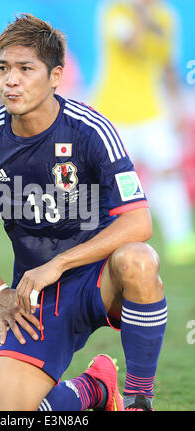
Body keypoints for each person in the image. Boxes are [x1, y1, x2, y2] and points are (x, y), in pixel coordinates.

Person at [0, 13, 167, 411]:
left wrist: (59, 263)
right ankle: (94, 390)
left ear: (56, 76)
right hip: (38, 297)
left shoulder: (91, 129)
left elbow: (139, 222)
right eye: (4, 69)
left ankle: (137, 399)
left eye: (26, 69)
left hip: (102, 276)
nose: (11, 80)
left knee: (140, 260)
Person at [90, 0, 195, 265]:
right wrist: (143, 15)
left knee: (169, 172)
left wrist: (177, 106)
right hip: (114, 113)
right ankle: (98, 241)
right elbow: (132, 46)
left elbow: (167, 64)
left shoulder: (166, 16)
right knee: (108, 181)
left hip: (152, 112)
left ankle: (180, 241)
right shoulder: (114, 11)